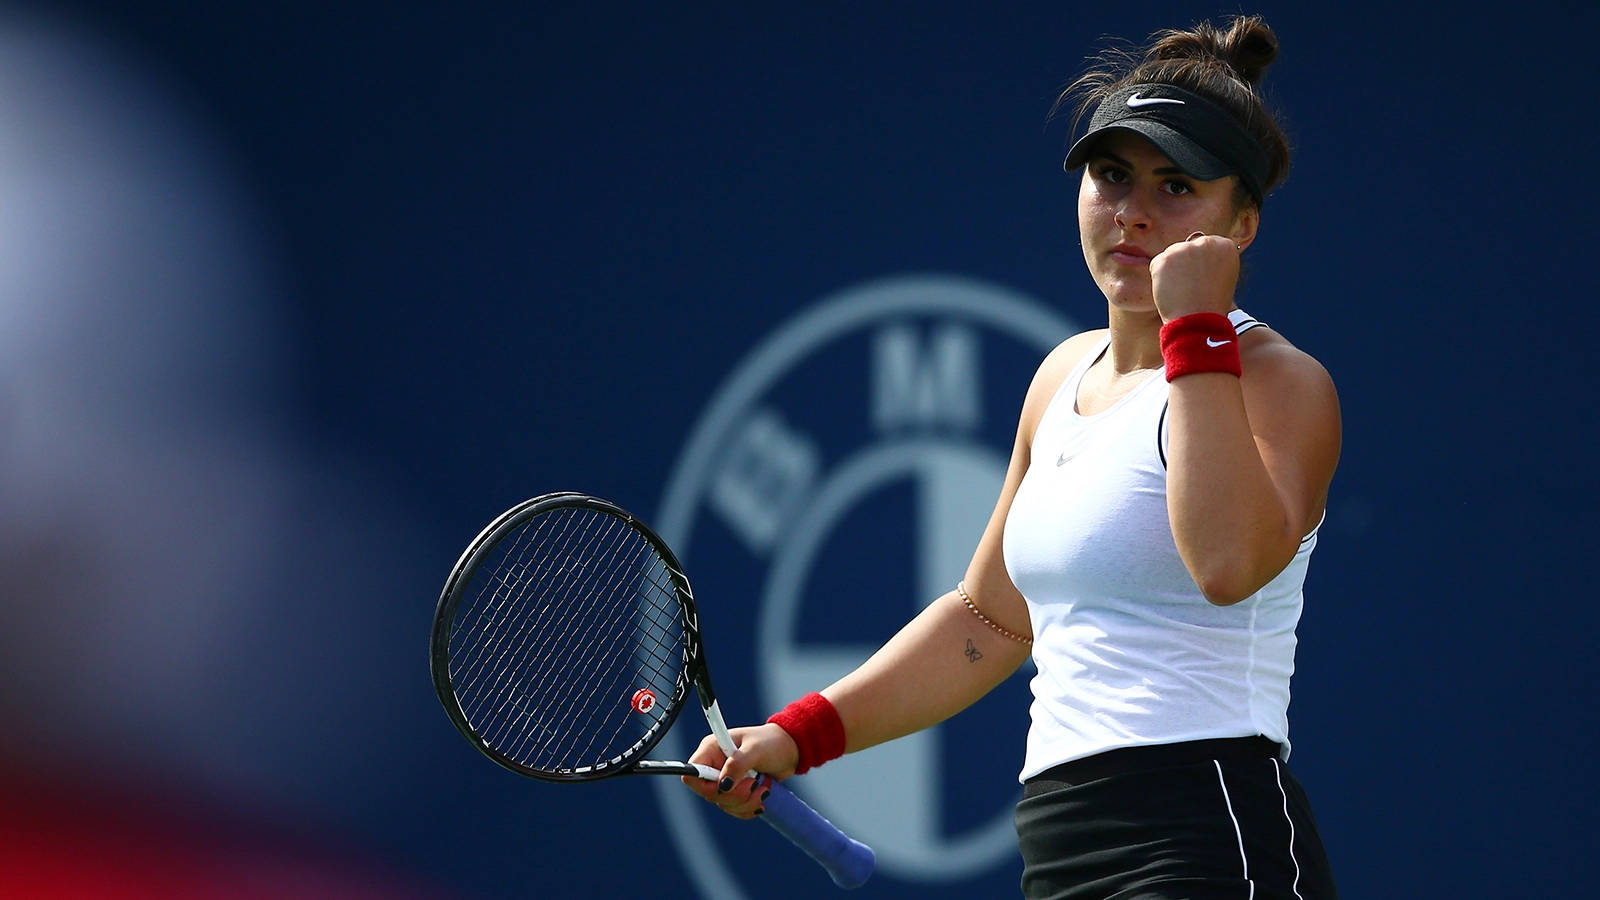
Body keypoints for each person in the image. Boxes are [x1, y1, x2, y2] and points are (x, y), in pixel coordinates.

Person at [683, 14, 1340, 899]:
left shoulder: (1281, 383)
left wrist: (1193, 325)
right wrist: (800, 735)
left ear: (1243, 223)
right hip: (1061, 851)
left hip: (1208, 837)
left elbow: (1226, 565)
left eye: (1176, 186)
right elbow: (989, 623)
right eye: (1112, 177)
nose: (1133, 212)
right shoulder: (1061, 376)